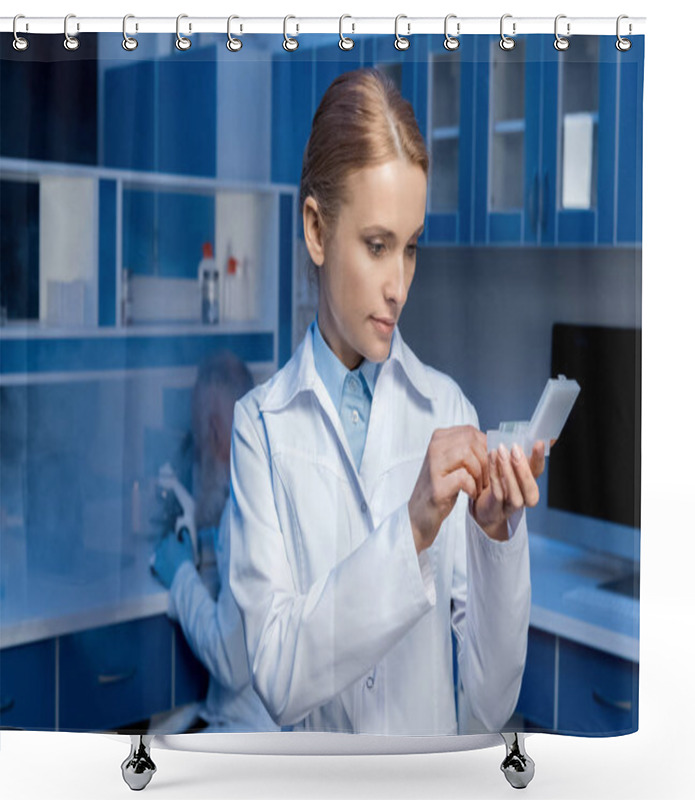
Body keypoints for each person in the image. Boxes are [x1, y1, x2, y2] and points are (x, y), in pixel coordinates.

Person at [228, 68, 552, 736]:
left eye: (410, 249)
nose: (398, 285)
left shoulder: (447, 409)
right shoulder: (259, 427)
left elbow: (488, 707)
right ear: (317, 231)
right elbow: (280, 677)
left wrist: (495, 543)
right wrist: (411, 529)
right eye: (377, 247)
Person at [151, 350, 280, 733]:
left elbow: (229, 658)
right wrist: (207, 547)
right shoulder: (270, 487)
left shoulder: (243, 512)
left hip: (251, 736)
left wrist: (180, 577)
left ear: (211, 428)